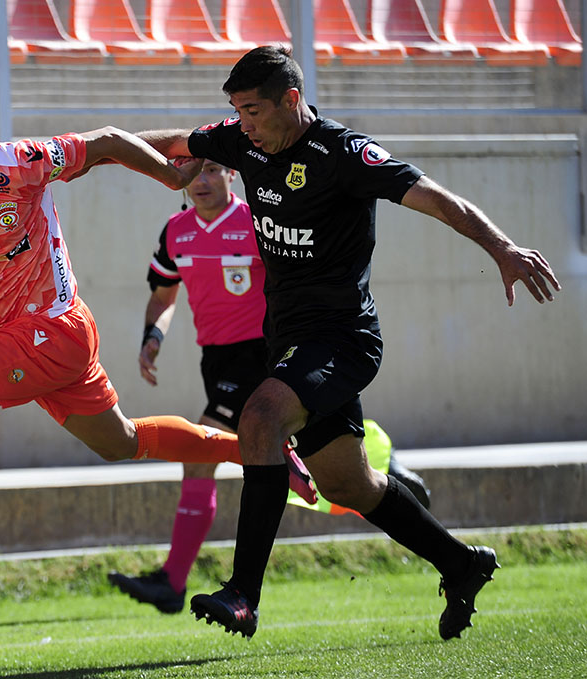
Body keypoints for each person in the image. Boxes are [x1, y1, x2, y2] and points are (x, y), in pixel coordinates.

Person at [135, 46, 560, 642]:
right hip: (289, 343)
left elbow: (437, 198)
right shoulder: (245, 142)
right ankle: (461, 563)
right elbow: (177, 141)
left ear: (291, 99)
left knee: (258, 419)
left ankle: (243, 595)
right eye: (236, 111)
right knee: (346, 484)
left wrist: (503, 249)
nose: (244, 124)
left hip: (343, 339)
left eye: (253, 110)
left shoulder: (345, 154)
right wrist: (94, 150)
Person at [0, 91, 286, 569]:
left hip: (52, 327)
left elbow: (107, 142)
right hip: (29, 337)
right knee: (123, 442)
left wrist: (173, 172)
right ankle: (261, 453)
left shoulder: (15, 163)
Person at [107, 160, 428, 614]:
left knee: (201, 453)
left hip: (264, 355)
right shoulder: (175, 232)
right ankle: (385, 477)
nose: (201, 181)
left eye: (213, 170)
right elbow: (163, 296)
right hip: (216, 362)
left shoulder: (256, 223)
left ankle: (174, 582)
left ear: (231, 175)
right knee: (319, 466)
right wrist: (151, 339)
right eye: (192, 172)